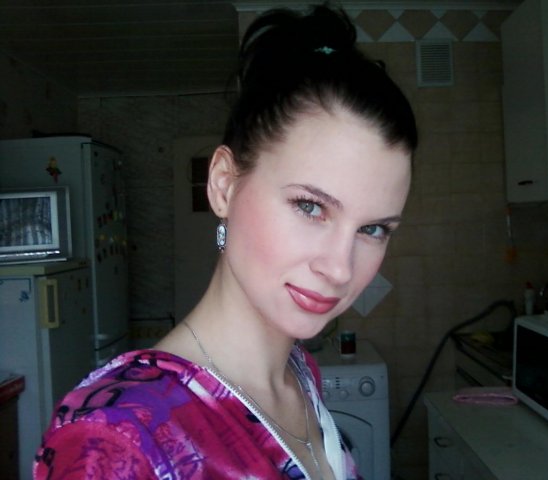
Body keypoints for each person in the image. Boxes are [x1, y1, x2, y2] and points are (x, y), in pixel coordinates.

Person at [33, 4, 417, 479]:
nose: (340, 269)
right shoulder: (116, 440)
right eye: (310, 206)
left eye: (373, 229)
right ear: (223, 185)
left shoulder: (299, 374)